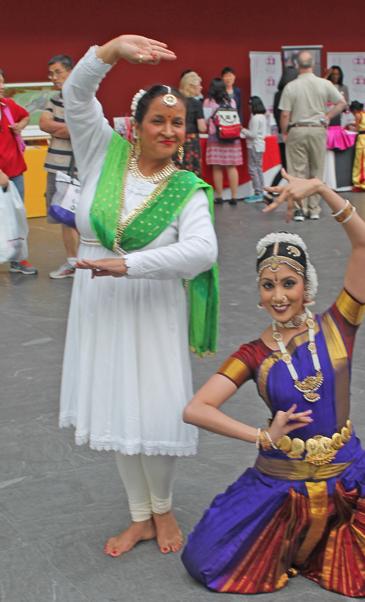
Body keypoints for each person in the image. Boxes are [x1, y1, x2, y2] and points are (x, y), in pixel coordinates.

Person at [181, 170, 365, 596]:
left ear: (306, 289)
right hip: (282, 481)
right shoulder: (252, 355)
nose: (279, 295)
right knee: (206, 559)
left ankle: (327, 541)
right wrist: (262, 435)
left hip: (348, 474)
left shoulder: (339, 325)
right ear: (259, 294)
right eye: (268, 285)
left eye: (288, 283)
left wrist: (321, 189)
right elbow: (196, 409)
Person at [58, 34, 219, 558]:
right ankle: (139, 517)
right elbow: (77, 98)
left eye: (178, 123)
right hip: (98, 304)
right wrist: (109, 52)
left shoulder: (187, 188)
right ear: (136, 125)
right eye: (159, 121)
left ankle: (164, 507)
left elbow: (201, 252)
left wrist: (129, 265)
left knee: (157, 411)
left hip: (152, 309)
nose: (170, 130)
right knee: (116, 406)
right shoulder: (103, 151)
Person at [0, 65, 38, 279]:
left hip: (15, 173)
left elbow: (25, 116)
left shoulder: (9, 105)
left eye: (3, 81)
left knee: (17, 217)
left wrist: (20, 125)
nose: (3, 86)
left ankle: (18, 259)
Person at [279, 52, 346, 221]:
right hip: (317, 129)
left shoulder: (290, 86)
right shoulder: (324, 84)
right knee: (317, 171)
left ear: (297, 66)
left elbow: (285, 114)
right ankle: (314, 209)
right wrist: (328, 117)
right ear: (313, 65)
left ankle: (299, 210)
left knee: (297, 172)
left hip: (297, 129)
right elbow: (342, 103)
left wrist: (284, 132)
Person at [39, 54, 79, 279]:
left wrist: (58, 127)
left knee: (77, 217)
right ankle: (72, 262)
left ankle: (79, 262)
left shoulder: (82, 98)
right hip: (56, 166)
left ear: (70, 72)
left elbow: (78, 130)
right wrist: (62, 127)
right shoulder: (55, 98)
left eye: (57, 72)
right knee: (63, 218)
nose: (53, 77)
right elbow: (43, 123)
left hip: (75, 168)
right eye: (51, 73)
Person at [203, 78, 242, 206]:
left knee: (217, 167)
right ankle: (234, 197)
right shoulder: (231, 101)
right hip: (232, 137)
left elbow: (206, 122)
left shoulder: (208, 102)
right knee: (232, 166)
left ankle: (219, 196)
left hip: (216, 138)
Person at [263, 66, 298, 206]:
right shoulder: (292, 93)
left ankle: (270, 193)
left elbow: (279, 115)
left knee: (285, 167)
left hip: (280, 134)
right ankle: (290, 196)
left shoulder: (278, 94)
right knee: (292, 168)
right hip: (291, 134)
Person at [176, 71, 206, 177]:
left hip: (178, 138)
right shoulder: (197, 104)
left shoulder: (178, 102)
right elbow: (202, 127)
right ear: (192, 87)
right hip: (192, 140)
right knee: (192, 169)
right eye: (199, 85)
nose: (201, 87)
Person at [242, 96, 267, 203]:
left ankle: (258, 192)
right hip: (260, 146)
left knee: (253, 169)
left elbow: (253, 134)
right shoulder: (262, 117)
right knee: (258, 168)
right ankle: (261, 191)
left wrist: (242, 129)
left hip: (254, 146)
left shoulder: (255, 118)